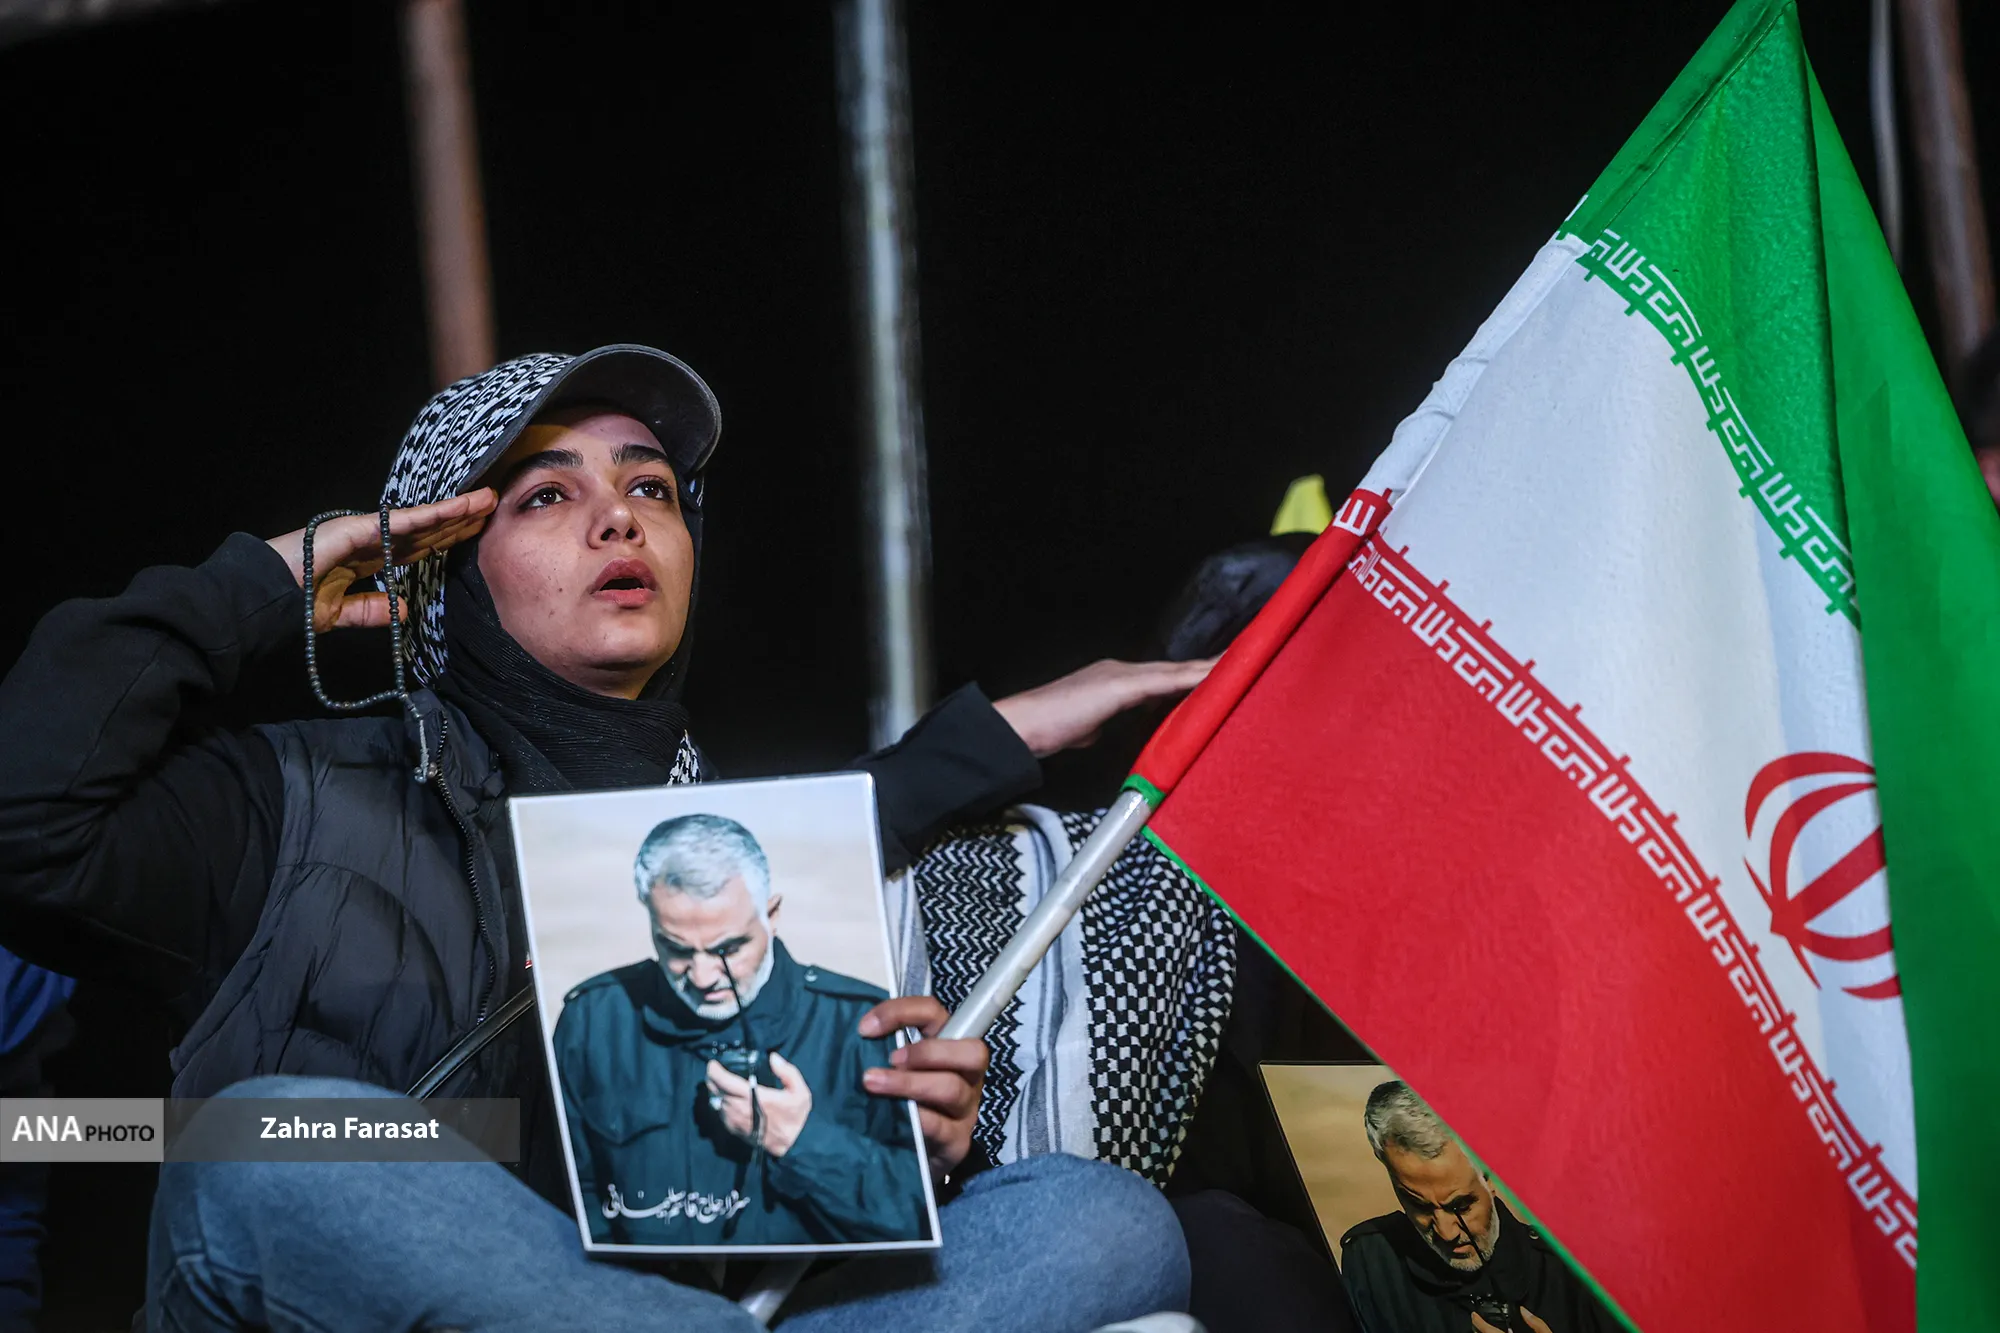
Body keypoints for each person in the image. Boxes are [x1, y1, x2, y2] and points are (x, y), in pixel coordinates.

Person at [0, 344, 1206, 1330]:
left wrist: (898, 1144)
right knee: (266, 1143)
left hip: (678, 1307)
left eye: (651, 490)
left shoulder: (758, 857)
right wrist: (267, 581)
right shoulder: (289, 799)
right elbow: (26, 819)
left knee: (1092, 1221)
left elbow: (760, 1210)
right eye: (546, 495)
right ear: (440, 570)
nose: (617, 519)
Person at [554, 814, 929, 1246]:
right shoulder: (594, 1021)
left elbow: (924, 1213)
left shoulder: (863, 1026)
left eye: (728, 948)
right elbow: (561, 1195)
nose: (702, 977)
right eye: (675, 949)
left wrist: (802, 1142)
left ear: (772, 915)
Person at [1339, 1082, 1617, 1333]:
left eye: (1460, 1206)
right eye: (1419, 1206)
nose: (1447, 1233)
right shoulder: (1372, 1264)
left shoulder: (1580, 1276)